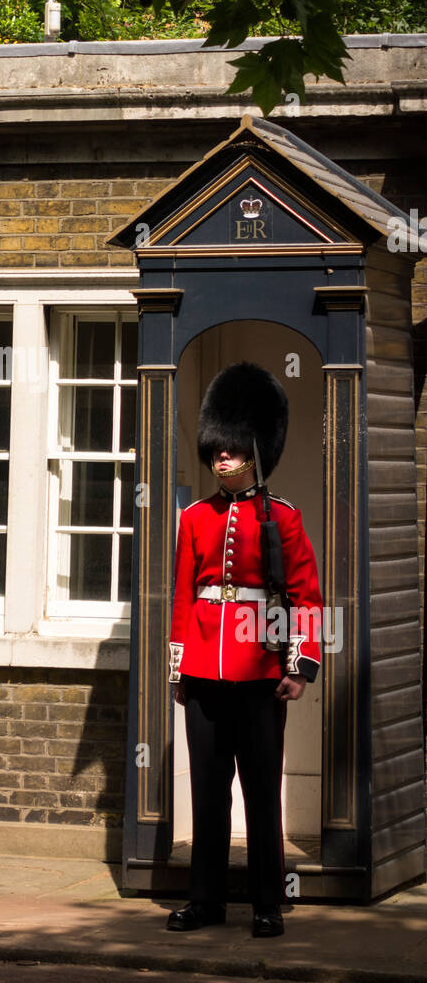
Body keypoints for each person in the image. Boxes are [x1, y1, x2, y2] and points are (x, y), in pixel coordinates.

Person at [165, 362, 323, 938]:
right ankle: (205, 900)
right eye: (216, 450)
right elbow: (183, 599)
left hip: (260, 672)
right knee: (209, 793)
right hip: (206, 670)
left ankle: (267, 903)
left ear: (255, 450)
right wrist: (179, 669)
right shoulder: (193, 519)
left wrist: (301, 667)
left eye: (232, 450)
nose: (221, 459)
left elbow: (306, 596)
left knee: (262, 793)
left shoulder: (282, 518)